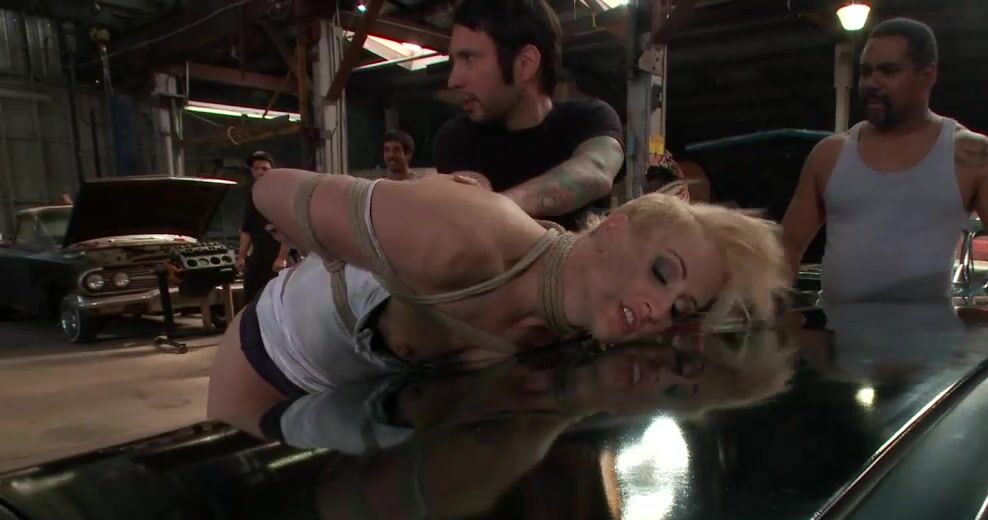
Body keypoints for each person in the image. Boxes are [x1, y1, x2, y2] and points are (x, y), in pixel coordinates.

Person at [205, 169, 788, 431]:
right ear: (615, 228)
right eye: (663, 273)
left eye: (680, 308)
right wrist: (331, 242)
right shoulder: (470, 237)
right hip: (267, 359)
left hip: (353, 406)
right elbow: (269, 188)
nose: (661, 310)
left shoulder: (575, 342)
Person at [781, 17, 988, 312]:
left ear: (927, 75)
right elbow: (787, 247)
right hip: (837, 334)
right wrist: (772, 320)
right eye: (866, 71)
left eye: (888, 71)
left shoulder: (971, 155)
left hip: (927, 338)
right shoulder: (829, 155)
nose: (872, 83)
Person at [431, 0, 624, 231]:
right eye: (454, 62)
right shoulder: (455, 139)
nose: (453, 80)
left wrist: (493, 208)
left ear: (524, 64)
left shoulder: (590, 119)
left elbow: (596, 171)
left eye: (469, 58)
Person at [236, 151, 289, 301]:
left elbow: (288, 229)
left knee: (278, 301)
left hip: (277, 256)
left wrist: (282, 257)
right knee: (251, 299)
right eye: (256, 168)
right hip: (258, 257)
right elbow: (247, 229)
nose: (260, 172)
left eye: (264, 168)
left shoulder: (281, 195)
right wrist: (241, 256)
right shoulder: (252, 195)